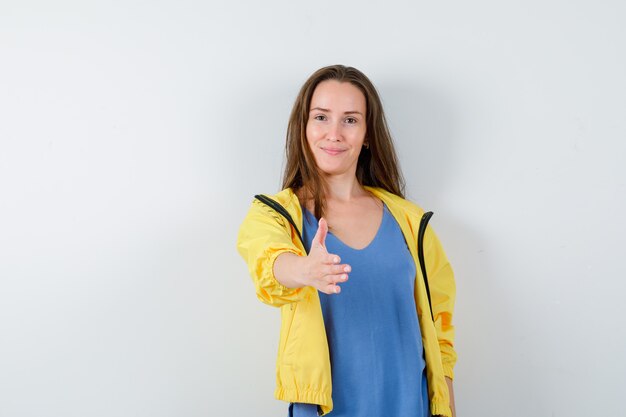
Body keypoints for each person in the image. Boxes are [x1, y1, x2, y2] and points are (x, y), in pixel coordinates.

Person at [236, 65, 457, 417]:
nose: (334, 133)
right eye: (321, 117)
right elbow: (270, 263)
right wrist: (304, 269)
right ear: (304, 127)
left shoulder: (411, 223)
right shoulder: (276, 214)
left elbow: (439, 333)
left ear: (368, 133)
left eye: (350, 120)